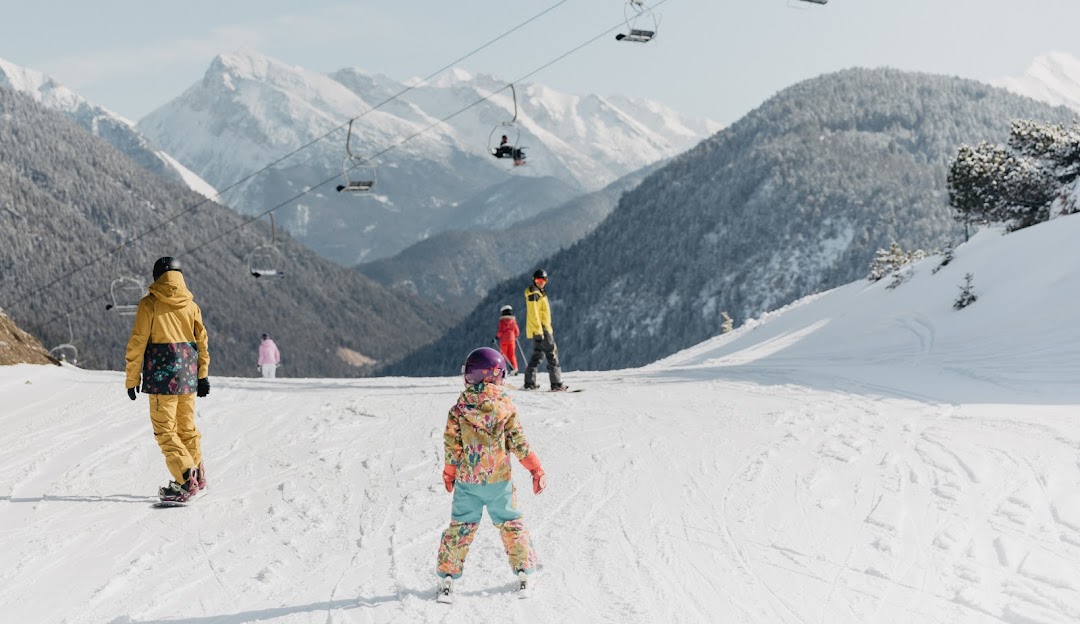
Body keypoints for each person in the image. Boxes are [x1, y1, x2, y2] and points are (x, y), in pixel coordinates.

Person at [435, 347, 547, 602]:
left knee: (461, 526)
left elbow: (452, 447)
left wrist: (449, 473)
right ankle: (524, 571)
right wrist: (535, 468)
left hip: (468, 483)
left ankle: (447, 576)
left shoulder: (458, 410)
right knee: (510, 524)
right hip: (499, 483)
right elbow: (519, 443)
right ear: (496, 376)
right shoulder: (506, 407)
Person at [124, 256, 210, 503]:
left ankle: (185, 479)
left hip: (162, 377)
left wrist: (132, 378)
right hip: (188, 374)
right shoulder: (191, 305)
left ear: (157, 277)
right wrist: (202, 375)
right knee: (186, 427)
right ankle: (197, 473)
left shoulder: (149, 304)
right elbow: (202, 342)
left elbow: (138, 342)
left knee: (165, 429)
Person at [522, 269, 566, 391]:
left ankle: (529, 382)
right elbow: (533, 314)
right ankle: (556, 383)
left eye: (543, 280)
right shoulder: (534, 294)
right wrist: (538, 331)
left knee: (538, 355)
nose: (541, 283)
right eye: (538, 280)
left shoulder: (539, 293)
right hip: (542, 329)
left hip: (542, 329)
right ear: (534, 281)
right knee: (552, 354)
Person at [495, 305, 520, 375]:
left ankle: (501, 370)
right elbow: (517, 331)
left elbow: (500, 331)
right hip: (512, 340)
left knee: (503, 355)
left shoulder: (502, 321)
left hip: (504, 340)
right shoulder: (513, 321)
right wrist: (516, 336)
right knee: (512, 355)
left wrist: (496, 337)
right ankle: (515, 369)